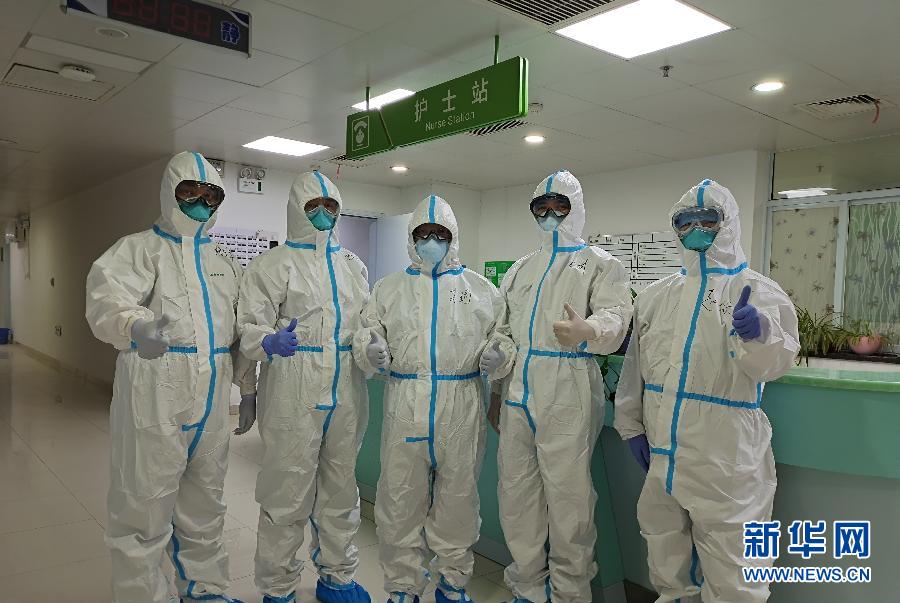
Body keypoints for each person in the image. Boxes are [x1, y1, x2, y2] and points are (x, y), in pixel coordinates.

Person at [615, 179, 799, 602]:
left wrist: (760, 333)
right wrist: (631, 425)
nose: (696, 229)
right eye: (685, 222)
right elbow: (636, 368)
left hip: (726, 456)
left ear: (728, 222)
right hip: (663, 453)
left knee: (737, 569)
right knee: (664, 550)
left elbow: (777, 363)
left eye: (708, 220)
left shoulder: (758, 291)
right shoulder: (657, 296)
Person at [86, 151, 256, 603]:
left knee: (206, 502)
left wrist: (248, 387)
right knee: (143, 505)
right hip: (154, 392)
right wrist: (135, 328)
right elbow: (106, 301)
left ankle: (205, 590)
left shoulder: (224, 261)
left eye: (211, 195)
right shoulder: (137, 249)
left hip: (212, 399)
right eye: (189, 192)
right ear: (169, 193)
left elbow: (238, 330)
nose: (201, 203)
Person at [354, 194, 516, 603]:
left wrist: (499, 354)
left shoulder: (479, 288)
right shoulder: (389, 288)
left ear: (453, 237)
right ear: (411, 238)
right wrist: (370, 348)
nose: (431, 241)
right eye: (422, 234)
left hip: (461, 402)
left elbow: (503, 335)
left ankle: (452, 585)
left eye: (439, 234)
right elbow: (368, 330)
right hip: (405, 400)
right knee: (399, 500)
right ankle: (402, 587)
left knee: (457, 501)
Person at [486, 170, 633, 603]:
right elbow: (503, 329)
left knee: (569, 500)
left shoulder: (601, 264)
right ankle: (528, 587)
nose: (550, 214)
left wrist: (590, 330)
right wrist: (496, 380)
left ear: (576, 209)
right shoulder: (521, 268)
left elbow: (616, 316)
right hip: (518, 392)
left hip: (568, 385)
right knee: (517, 493)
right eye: (542, 207)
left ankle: (570, 593)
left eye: (560, 206)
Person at [237, 171, 372, 603]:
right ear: (296, 209)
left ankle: (337, 577)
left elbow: (366, 323)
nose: (322, 214)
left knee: (340, 489)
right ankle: (278, 587)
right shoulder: (271, 265)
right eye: (312, 206)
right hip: (292, 385)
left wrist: (372, 345)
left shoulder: (352, 265)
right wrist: (267, 342)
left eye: (330, 206)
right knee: (286, 490)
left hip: (346, 387)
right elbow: (248, 327)